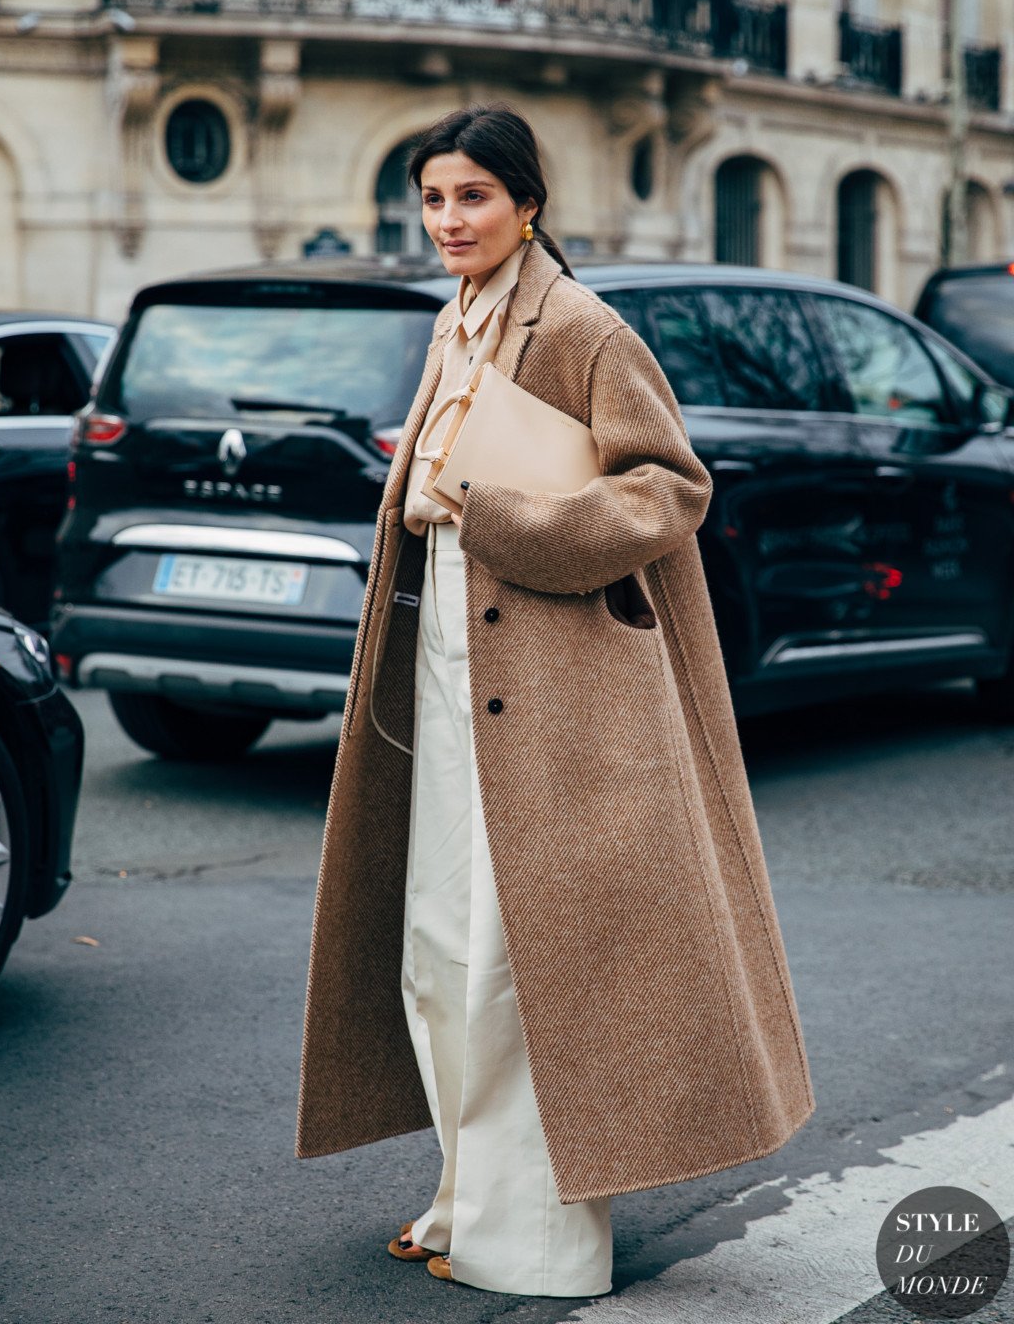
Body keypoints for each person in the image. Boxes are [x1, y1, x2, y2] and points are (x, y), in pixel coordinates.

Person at [296, 102, 816, 1299]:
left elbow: (667, 491)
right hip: (450, 679)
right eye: (432, 198)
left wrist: (486, 513)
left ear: (527, 202)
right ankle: (468, 1199)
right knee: (436, 946)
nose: (447, 220)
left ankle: (536, 1242)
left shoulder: (579, 324)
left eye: (471, 196)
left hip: (552, 689)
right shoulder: (456, 320)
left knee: (516, 962)